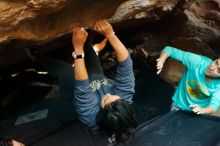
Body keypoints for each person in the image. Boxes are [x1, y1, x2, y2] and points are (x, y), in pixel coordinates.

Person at [72, 20, 137, 143]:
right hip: (97, 76)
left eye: (106, 100)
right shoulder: (124, 100)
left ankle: (37, 55)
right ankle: (88, 36)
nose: (108, 94)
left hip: (76, 88)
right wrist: (110, 34)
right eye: (114, 97)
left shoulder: (90, 116)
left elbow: (82, 87)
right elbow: (126, 65)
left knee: (62, 70)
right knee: (89, 50)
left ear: (101, 113)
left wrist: (78, 49)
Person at [156, 46, 220, 115]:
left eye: (218, 70)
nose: (212, 67)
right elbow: (170, 50)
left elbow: (214, 105)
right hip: (178, 105)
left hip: (198, 112)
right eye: (216, 63)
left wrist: (202, 110)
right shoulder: (198, 62)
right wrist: (161, 59)